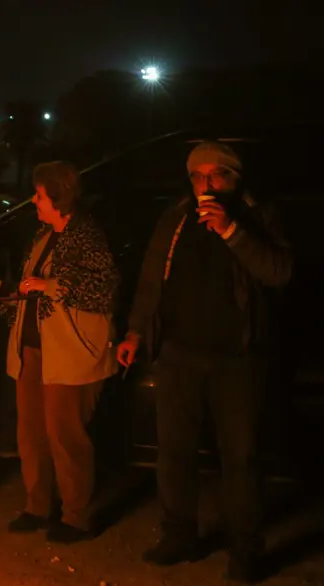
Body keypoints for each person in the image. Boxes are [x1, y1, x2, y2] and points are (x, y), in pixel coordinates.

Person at [116, 141, 292, 583]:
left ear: (234, 177)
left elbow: (279, 271)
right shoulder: (176, 217)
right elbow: (151, 278)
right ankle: (179, 535)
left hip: (237, 358)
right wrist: (136, 332)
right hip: (178, 354)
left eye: (216, 175)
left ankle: (245, 551)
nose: (206, 185)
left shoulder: (257, 215)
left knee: (240, 458)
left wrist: (231, 231)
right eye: (198, 176)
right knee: (174, 452)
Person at [4, 161, 119, 543]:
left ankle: (76, 516)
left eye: (39, 195)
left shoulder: (86, 235)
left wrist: (49, 286)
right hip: (32, 350)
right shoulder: (43, 235)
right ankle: (37, 506)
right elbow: (29, 285)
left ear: (57, 197)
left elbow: (102, 289)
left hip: (69, 354)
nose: (34, 201)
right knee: (31, 433)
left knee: (65, 436)